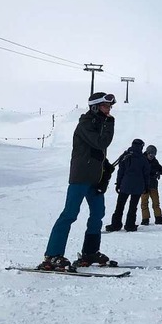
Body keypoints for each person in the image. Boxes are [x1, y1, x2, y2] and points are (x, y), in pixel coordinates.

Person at [38, 92, 116, 271]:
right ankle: (52, 255)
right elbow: (101, 143)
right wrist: (111, 123)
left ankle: (90, 252)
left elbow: (97, 152)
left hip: (95, 179)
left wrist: (105, 166)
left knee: (98, 215)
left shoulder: (99, 124)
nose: (109, 110)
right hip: (80, 177)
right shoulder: (85, 124)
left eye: (109, 107)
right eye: (105, 106)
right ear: (95, 107)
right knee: (70, 214)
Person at [106, 139, 150, 232]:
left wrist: (118, 184)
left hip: (125, 184)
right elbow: (146, 174)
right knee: (133, 206)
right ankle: (130, 225)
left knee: (120, 205)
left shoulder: (125, 156)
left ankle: (115, 225)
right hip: (138, 186)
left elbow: (120, 171)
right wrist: (146, 187)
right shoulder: (143, 158)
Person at [140, 145, 162, 225]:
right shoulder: (142, 160)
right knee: (144, 203)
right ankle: (145, 219)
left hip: (153, 184)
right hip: (144, 185)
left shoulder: (154, 161)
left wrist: (159, 172)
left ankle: (158, 218)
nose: (152, 156)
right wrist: (154, 173)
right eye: (150, 154)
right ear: (147, 153)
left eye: (153, 154)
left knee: (156, 202)